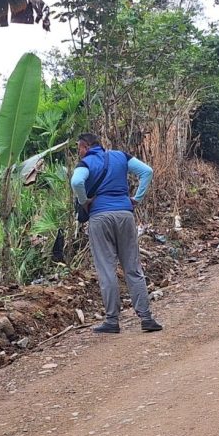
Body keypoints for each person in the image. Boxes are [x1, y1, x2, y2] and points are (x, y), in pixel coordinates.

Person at [71, 133, 162, 334]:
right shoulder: (121, 156)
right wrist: (136, 198)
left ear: (85, 146)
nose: (79, 152)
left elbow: (77, 183)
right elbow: (147, 171)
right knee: (133, 268)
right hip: (124, 215)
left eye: (79, 148)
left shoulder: (85, 164)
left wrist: (84, 201)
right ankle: (146, 318)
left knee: (107, 270)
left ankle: (112, 320)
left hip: (100, 217)